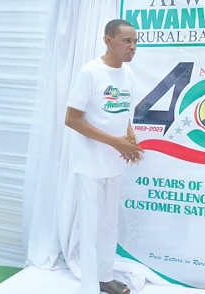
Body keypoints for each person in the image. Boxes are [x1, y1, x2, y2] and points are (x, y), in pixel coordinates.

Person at [63, 19, 143, 294]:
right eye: (126, 41)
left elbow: (124, 114)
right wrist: (116, 143)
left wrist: (130, 142)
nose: (132, 47)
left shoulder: (129, 75)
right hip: (90, 162)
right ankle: (88, 286)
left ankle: (105, 277)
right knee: (89, 226)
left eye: (135, 41)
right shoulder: (90, 72)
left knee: (109, 224)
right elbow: (72, 119)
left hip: (115, 162)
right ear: (108, 40)